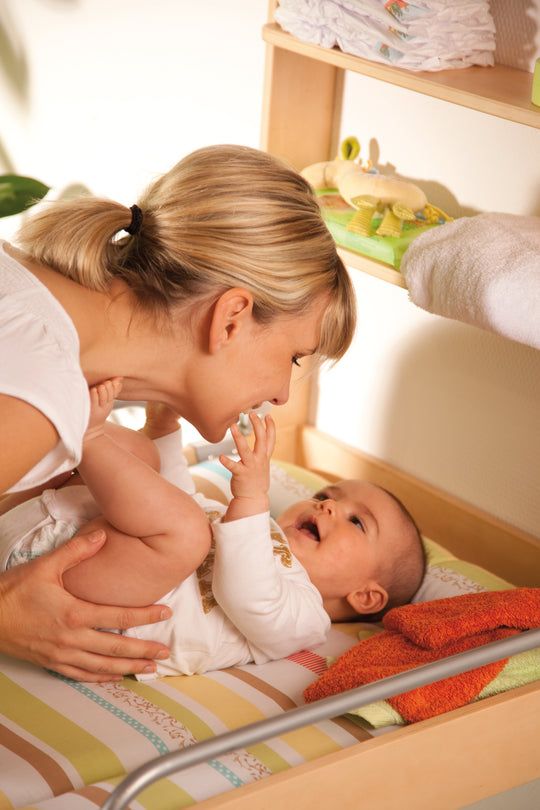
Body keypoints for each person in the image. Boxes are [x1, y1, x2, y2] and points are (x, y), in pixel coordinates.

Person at [0, 143, 357, 681]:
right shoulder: (38, 393)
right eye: (294, 356)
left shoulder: (41, 327)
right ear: (232, 319)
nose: (283, 394)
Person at [0, 380, 426, 678]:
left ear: (365, 596)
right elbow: (170, 495)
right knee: (140, 454)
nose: (329, 505)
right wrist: (164, 429)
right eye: (324, 495)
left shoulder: (305, 619)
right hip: (49, 532)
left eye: (356, 521)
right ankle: (53, 413)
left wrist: (253, 499)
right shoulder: (243, 525)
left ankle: (84, 432)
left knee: (185, 532)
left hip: (66, 595)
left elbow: (246, 593)